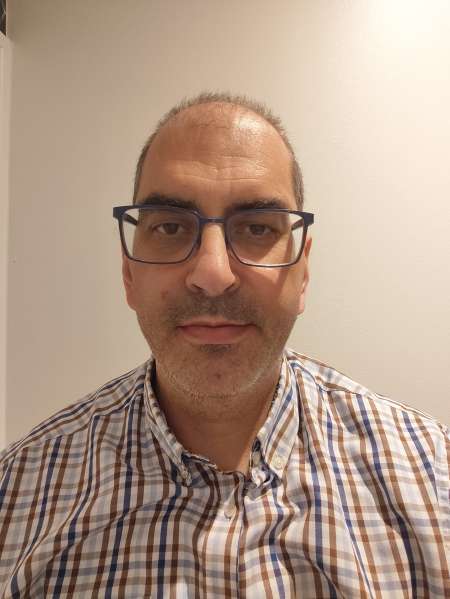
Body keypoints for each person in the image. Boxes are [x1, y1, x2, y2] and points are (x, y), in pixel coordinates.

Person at [0, 92, 448, 598]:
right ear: (129, 273)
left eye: (257, 228)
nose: (213, 274)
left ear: (303, 271)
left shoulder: (434, 477)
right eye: (170, 227)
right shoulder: (15, 494)